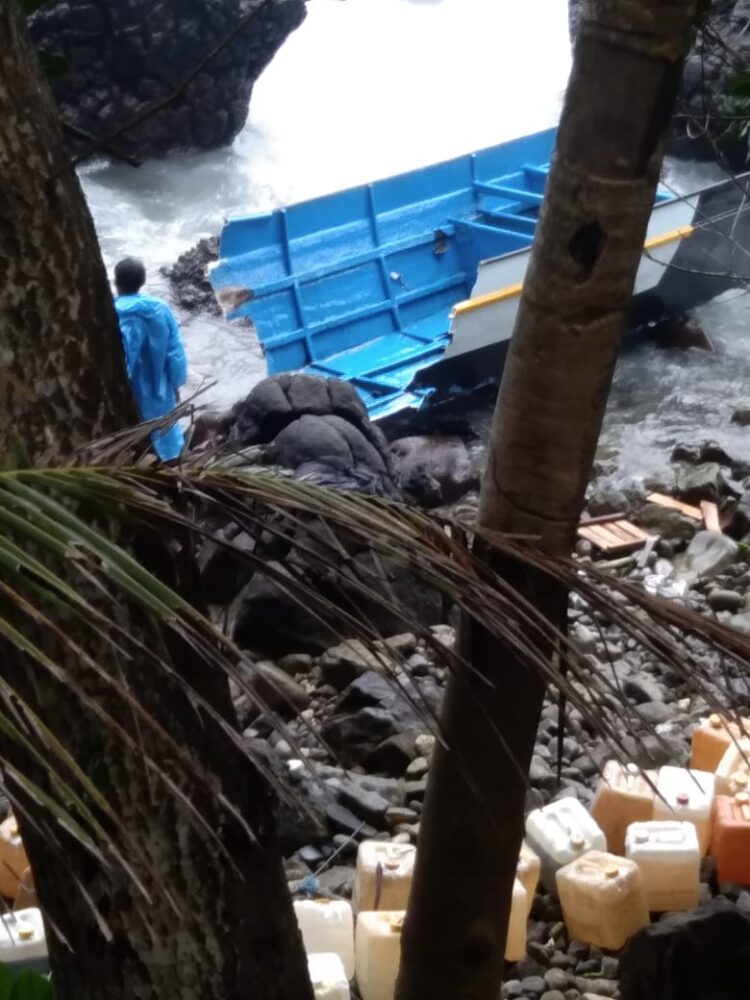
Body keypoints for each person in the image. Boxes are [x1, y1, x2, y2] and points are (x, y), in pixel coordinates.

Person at [114, 257, 188, 461]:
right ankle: (171, 463)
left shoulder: (111, 311)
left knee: (132, 435)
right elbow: (174, 350)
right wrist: (177, 380)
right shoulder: (160, 309)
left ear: (115, 282)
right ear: (143, 281)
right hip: (159, 386)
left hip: (125, 389)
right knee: (165, 432)